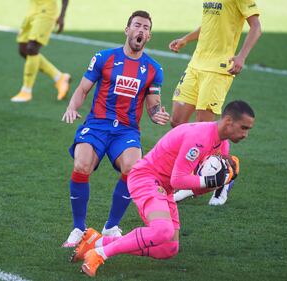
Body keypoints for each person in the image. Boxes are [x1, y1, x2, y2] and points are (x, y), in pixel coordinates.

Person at [70, 100, 255, 277]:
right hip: (146, 178)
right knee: (162, 231)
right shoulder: (198, 137)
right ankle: (99, 254)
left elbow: (196, 188)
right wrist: (208, 180)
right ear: (229, 121)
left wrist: (220, 181)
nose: (246, 135)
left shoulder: (223, 146)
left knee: (168, 248)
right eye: (244, 128)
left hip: (164, 188)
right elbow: (179, 180)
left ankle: (98, 241)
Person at [60, 11, 170, 248]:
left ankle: (111, 226)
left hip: (127, 131)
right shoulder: (104, 58)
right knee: (81, 164)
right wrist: (72, 106)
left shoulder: (153, 69)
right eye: (137, 25)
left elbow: (153, 103)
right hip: (97, 125)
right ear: (127, 30)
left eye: (146, 28)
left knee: (134, 168)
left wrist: (157, 114)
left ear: (149, 36)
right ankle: (78, 228)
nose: (141, 30)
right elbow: (82, 89)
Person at [169, 0, 262, 204]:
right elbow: (210, 25)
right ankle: (196, 174)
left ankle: (224, 179)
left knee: (205, 130)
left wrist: (242, 56)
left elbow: (256, 27)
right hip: (196, 64)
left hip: (218, 68)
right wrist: (186, 39)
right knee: (177, 121)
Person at [11, 0, 71, 103]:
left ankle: (26, 91)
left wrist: (62, 16)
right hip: (32, 9)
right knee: (23, 49)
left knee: (31, 48)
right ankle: (59, 77)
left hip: (46, 11)